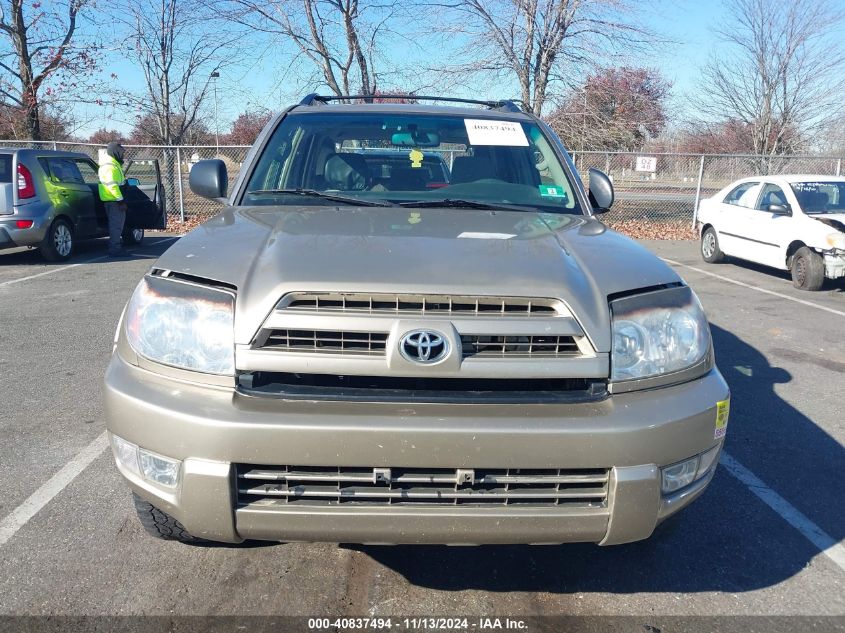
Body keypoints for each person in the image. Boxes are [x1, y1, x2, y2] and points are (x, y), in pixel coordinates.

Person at [98, 142, 129, 257]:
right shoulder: (110, 167)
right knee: (116, 225)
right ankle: (115, 249)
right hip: (114, 201)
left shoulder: (113, 165)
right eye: (121, 153)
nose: (122, 155)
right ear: (115, 152)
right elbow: (112, 186)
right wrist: (120, 201)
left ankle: (115, 246)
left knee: (117, 225)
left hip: (113, 200)